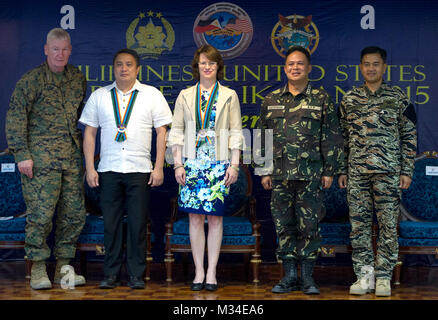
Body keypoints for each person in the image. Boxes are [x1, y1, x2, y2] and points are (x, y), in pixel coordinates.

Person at [79, 48, 172, 289]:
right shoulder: (100, 96)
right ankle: (110, 274)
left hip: (139, 169)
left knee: (137, 224)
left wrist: (159, 167)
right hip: (108, 170)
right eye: (119, 64)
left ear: (137, 68)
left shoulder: (151, 95)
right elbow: (89, 133)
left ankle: (136, 275)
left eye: (129, 64)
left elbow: (162, 132)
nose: (124, 68)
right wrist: (90, 168)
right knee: (110, 224)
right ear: (113, 68)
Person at [256, 46, 343, 295]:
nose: (295, 67)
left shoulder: (321, 98)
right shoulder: (270, 100)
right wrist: (264, 171)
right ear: (285, 69)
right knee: (284, 226)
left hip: (311, 175)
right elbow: (262, 138)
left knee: (309, 226)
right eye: (291, 64)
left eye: (300, 64)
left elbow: (332, 136)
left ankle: (307, 278)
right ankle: (289, 276)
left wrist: (329, 171)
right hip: (280, 175)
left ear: (309, 68)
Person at [6, 28, 87, 290]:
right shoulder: (31, 81)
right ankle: (39, 269)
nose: (60, 54)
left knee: (72, 214)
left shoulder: (77, 78)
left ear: (70, 50)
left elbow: (77, 114)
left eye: (64, 49)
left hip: (71, 160)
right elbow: (16, 118)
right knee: (41, 216)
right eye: (55, 49)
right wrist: (22, 155)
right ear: (45, 50)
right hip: (40, 161)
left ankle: (64, 268)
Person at [338, 46, 417, 297]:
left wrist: (407, 170)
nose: (371, 68)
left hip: (389, 173)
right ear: (360, 67)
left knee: (387, 226)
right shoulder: (349, 99)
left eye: (375, 64)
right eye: (366, 64)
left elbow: (409, 136)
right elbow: (341, 139)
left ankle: (383, 277)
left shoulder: (398, 98)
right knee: (359, 227)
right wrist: (342, 169)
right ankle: (364, 276)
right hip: (357, 174)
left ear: (384, 67)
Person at [167, 45, 244, 292]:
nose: (207, 67)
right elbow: (176, 131)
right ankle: (198, 271)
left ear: (218, 67)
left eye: (211, 63)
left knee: (215, 219)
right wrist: (177, 163)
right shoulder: (185, 95)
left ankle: (212, 273)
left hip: (219, 162)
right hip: (191, 162)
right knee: (195, 218)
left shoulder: (229, 95)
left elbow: (236, 132)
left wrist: (234, 164)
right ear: (197, 65)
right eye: (203, 63)